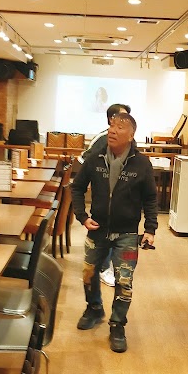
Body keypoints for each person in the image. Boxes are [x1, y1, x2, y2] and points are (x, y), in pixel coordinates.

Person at [71, 112, 158, 353]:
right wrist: (82, 216)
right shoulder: (95, 158)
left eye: (120, 127)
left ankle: (117, 325)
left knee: (124, 281)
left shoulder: (141, 164)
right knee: (88, 272)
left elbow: (151, 198)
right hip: (97, 229)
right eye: (111, 126)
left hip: (127, 233)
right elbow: (77, 187)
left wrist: (150, 229)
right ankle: (94, 308)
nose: (112, 130)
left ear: (131, 135)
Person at [78, 102, 132, 287]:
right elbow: (85, 161)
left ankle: (107, 267)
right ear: (111, 120)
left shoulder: (127, 139)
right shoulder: (102, 138)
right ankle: (101, 269)